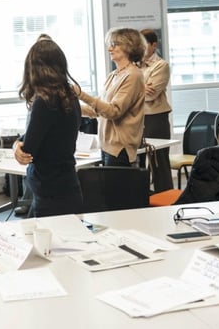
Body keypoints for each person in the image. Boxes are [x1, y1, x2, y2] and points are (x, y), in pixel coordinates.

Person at [12, 39, 83, 217]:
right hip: (66, 186)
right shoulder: (69, 96)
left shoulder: (44, 101)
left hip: (49, 191)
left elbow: (29, 150)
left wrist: (17, 146)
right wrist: (18, 143)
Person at [76, 28, 146, 166]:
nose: (110, 49)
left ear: (129, 46)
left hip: (120, 148)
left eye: (114, 45)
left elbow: (113, 111)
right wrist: (69, 107)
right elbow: (97, 110)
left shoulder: (133, 75)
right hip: (107, 146)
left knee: (117, 187)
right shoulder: (113, 75)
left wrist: (81, 94)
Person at [140, 29, 172, 139]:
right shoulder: (134, 65)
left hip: (155, 118)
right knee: (137, 156)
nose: (140, 48)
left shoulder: (161, 65)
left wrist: (132, 90)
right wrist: (141, 88)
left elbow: (150, 95)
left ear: (154, 45)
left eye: (144, 44)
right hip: (136, 118)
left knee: (158, 156)